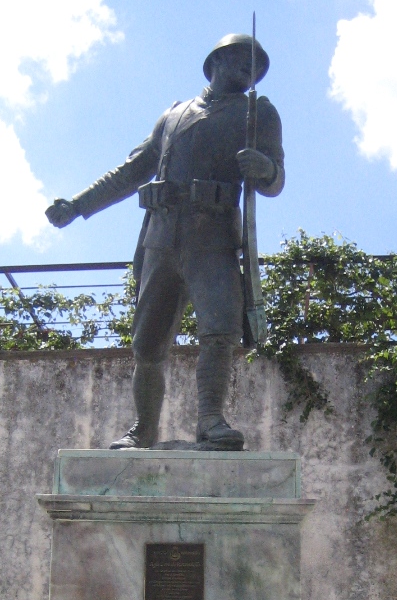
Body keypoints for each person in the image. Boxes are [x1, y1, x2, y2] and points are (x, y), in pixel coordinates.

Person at [46, 34, 285, 450]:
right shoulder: (174, 114)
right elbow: (132, 170)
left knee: (219, 329)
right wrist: (78, 204)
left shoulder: (257, 113)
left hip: (213, 236)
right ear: (215, 61)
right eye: (241, 59)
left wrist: (264, 169)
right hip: (161, 236)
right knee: (148, 342)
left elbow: (276, 178)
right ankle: (143, 428)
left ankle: (211, 419)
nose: (251, 68)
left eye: (257, 65)